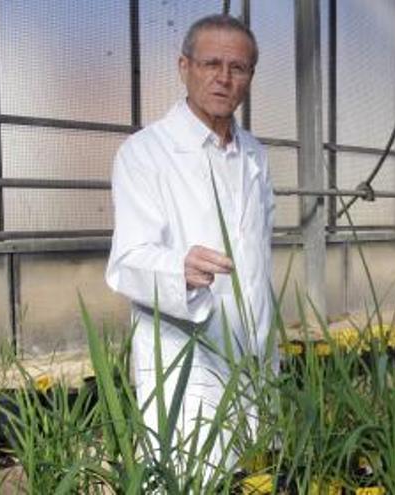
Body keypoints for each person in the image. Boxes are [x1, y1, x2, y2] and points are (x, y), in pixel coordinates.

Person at [105, 14, 276, 473]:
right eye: (211, 63)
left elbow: (259, 258)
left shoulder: (255, 154)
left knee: (253, 472)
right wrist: (177, 269)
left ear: (250, 77)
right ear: (184, 66)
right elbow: (127, 261)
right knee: (191, 471)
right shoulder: (145, 153)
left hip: (254, 349)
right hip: (186, 357)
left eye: (238, 68)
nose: (224, 78)